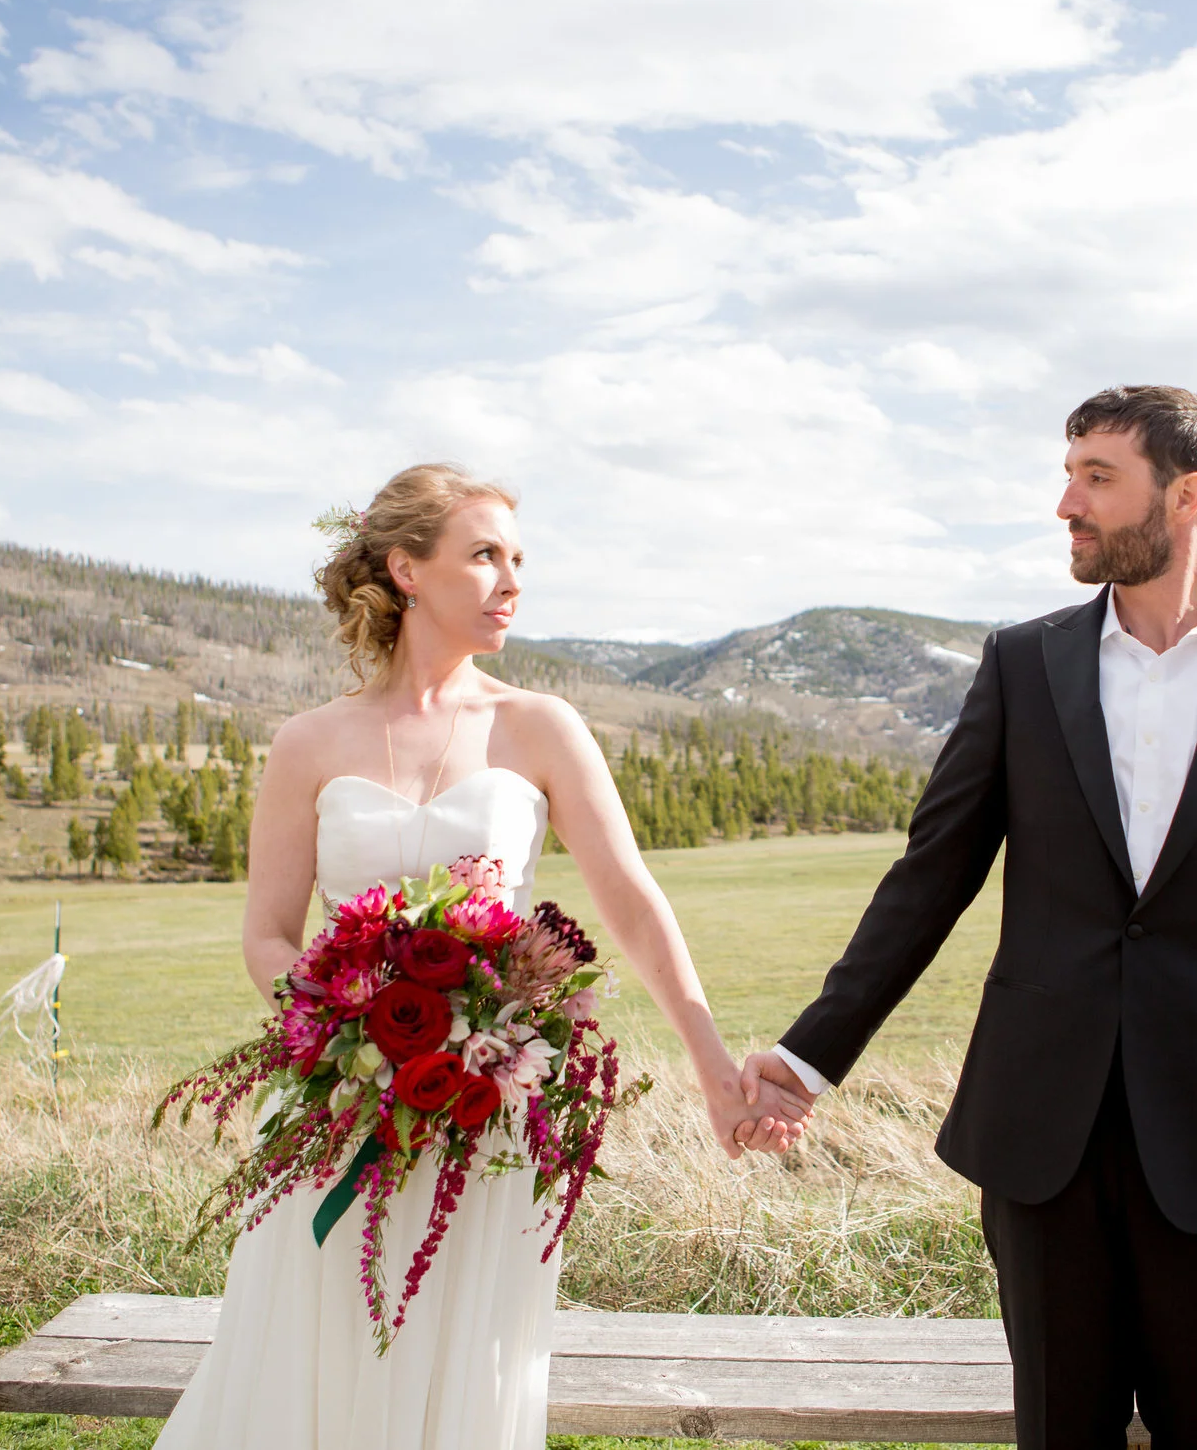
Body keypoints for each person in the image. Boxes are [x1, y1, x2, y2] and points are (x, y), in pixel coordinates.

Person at [745, 385, 1197, 1450]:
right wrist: (810, 1057)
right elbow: (929, 876)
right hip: (1040, 1131)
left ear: (1184, 495)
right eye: (1067, 470)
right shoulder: (1024, 664)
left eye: (1095, 476)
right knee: (1058, 1430)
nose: (1064, 503)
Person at [157, 463, 810, 1450]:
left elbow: (631, 902)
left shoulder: (538, 725)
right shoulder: (308, 741)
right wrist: (349, 1027)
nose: (512, 580)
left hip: (488, 1116)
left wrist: (714, 1065)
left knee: (467, 1372)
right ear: (406, 568)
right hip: (335, 1109)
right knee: (311, 1365)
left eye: (518, 558)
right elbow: (267, 934)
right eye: (485, 555)